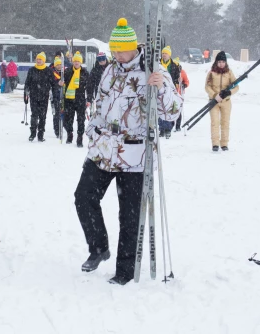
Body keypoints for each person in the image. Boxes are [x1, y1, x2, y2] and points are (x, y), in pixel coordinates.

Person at [74, 18, 182, 285]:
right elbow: (101, 105)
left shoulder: (152, 70)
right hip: (103, 149)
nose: (118, 55)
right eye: (114, 51)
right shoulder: (110, 70)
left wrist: (162, 87)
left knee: (130, 214)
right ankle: (99, 247)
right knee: (83, 197)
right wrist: (92, 130)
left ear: (133, 47)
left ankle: (125, 270)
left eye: (122, 50)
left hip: (135, 154)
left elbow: (174, 109)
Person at [205, 51, 239, 152]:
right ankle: (215, 144)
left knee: (225, 123)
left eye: (223, 62)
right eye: (219, 62)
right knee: (215, 122)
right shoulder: (211, 73)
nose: (221, 64)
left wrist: (229, 92)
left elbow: (236, 86)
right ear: (216, 62)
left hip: (226, 102)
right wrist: (214, 95)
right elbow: (207, 86)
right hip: (214, 101)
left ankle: (224, 143)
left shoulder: (229, 73)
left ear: (225, 62)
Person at [60, 51, 91, 147]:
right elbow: (62, 82)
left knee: (81, 120)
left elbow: (89, 87)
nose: (76, 62)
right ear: (73, 62)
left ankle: (80, 138)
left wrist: (89, 99)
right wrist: (60, 83)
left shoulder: (85, 72)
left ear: (81, 62)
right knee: (68, 119)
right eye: (75, 61)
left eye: (78, 61)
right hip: (69, 99)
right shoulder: (68, 71)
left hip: (80, 99)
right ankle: (70, 134)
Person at [24, 52, 56, 142]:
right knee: (34, 115)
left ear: (44, 60)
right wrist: (26, 93)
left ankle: (40, 134)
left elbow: (53, 84)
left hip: (44, 97)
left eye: (40, 59)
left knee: (42, 116)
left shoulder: (48, 71)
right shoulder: (32, 70)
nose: (38, 61)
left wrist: (55, 94)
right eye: (37, 59)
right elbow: (27, 83)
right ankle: (33, 133)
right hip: (34, 96)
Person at [158, 46, 181, 138]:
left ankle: (168, 129)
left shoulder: (174, 65)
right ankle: (161, 129)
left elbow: (176, 76)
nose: (164, 55)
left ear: (169, 55)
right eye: (163, 53)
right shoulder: (158, 63)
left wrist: (176, 83)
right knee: (161, 108)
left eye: (166, 53)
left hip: (171, 89)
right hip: (160, 88)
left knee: (169, 108)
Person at [173, 57, 189, 132]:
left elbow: (187, 81)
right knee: (172, 109)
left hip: (180, 93)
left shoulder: (182, 72)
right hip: (173, 93)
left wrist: (184, 84)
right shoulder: (172, 72)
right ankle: (171, 125)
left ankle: (178, 126)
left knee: (179, 109)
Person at [50, 56, 64, 137]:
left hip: (64, 96)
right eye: (57, 64)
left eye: (60, 64)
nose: (59, 66)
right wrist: (57, 83)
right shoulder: (52, 73)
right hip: (55, 96)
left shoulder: (64, 72)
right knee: (56, 114)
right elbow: (51, 83)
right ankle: (57, 130)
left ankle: (63, 127)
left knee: (64, 113)